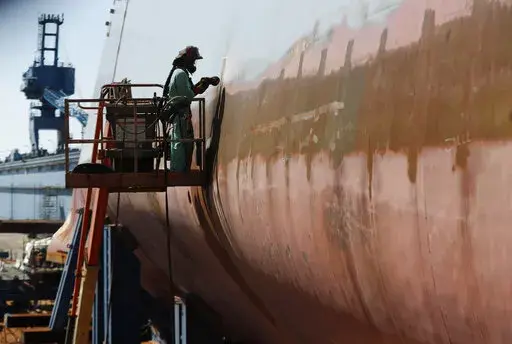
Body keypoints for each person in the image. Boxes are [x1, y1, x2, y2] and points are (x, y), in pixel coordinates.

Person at [162, 46, 220, 172]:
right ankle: (179, 170)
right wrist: (203, 84)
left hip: (180, 114)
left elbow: (189, 91)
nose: (194, 63)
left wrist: (203, 83)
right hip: (181, 114)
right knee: (181, 142)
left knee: (180, 141)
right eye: (193, 59)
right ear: (186, 59)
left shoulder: (179, 73)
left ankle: (178, 168)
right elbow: (187, 95)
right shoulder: (181, 74)